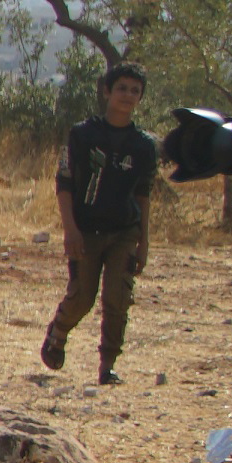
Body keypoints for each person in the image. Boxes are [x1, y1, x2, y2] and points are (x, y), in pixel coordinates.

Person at [45, 65, 156, 385]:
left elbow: (144, 195)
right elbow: (64, 182)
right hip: (87, 230)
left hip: (124, 232)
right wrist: (70, 229)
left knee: (118, 299)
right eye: (122, 88)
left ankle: (107, 366)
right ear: (107, 91)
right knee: (82, 297)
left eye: (135, 91)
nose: (128, 96)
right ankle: (58, 333)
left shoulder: (144, 146)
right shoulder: (82, 134)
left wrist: (144, 242)